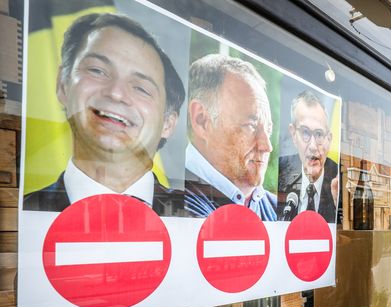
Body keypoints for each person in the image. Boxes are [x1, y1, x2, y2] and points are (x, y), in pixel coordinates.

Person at [23, 13, 185, 215]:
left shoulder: (200, 217)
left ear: (168, 124)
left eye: (141, 88)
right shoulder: (18, 217)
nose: (116, 93)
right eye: (97, 70)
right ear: (63, 85)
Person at [184, 54, 277, 220]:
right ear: (202, 120)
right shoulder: (175, 203)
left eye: (268, 129)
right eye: (251, 125)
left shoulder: (276, 207)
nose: (267, 146)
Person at [277, 90, 338, 222]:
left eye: (319, 134)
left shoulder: (340, 181)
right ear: (293, 135)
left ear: (329, 138)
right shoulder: (280, 172)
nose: (312, 145)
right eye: (305, 132)